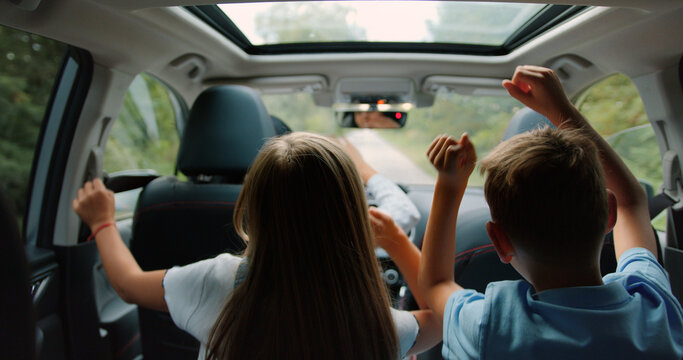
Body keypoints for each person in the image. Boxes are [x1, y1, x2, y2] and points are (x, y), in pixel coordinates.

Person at [73, 132, 440, 359]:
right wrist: (394, 239)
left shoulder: (216, 282)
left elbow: (125, 283)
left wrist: (103, 221)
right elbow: (442, 315)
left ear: (251, 207)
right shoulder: (379, 327)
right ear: (354, 213)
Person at [418, 65, 683, 359]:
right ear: (608, 213)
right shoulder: (653, 306)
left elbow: (436, 284)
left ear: (499, 241)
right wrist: (561, 108)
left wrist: (449, 183)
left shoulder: (489, 326)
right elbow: (632, 202)